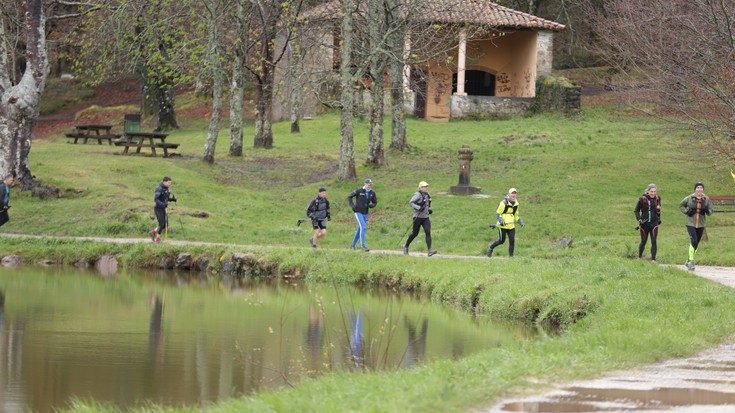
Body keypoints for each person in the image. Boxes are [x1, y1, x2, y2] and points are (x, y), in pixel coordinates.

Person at [678, 182, 713, 271]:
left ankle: (688, 261)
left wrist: (708, 211)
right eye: (698, 188)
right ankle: (691, 262)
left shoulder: (706, 199)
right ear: (695, 189)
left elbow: (711, 210)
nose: (699, 189)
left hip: (701, 224)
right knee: (693, 240)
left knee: (696, 243)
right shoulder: (689, 198)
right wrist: (686, 211)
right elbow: (681, 205)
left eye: (701, 188)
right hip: (690, 223)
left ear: (703, 189)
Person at [402, 181, 437, 256]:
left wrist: (430, 209)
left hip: (425, 217)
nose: (426, 188)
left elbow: (428, 204)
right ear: (420, 188)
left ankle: (430, 250)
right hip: (417, 217)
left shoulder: (428, 195)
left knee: (428, 232)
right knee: (415, 233)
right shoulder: (417, 195)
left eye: (427, 186)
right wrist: (418, 207)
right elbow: (411, 202)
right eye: (424, 186)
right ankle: (406, 246)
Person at [487, 188, 524, 257]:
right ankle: (491, 247)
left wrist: (519, 220)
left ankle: (511, 257)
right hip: (502, 226)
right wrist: (501, 221)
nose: (513, 195)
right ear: (509, 194)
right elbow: (498, 214)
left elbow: (515, 215)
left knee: (512, 241)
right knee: (501, 241)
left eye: (515, 194)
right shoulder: (503, 203)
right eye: (512, 194)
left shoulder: (516, 204)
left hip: (511, 226)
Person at [347, 179, 378, 251]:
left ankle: (352, 245)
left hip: (365, 213)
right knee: (363, 227)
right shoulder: (359, 191)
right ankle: (363, 246)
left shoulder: (372, 193)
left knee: (359, 229)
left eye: (371, 184)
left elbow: (375, 202)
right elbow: (349, 197)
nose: (370, 186)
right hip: (358, 212)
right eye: (369, 184)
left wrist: (372, 205)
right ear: (365, 184)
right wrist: (352, 206)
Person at [634, 183, 661, 262]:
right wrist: (639, 219)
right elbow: (636, 210)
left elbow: (659, 209)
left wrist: (659, 219)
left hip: (654, 224)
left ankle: (653, 259)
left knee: (654, 241)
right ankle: (639, 257)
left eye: (654, 191)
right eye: (651, 191)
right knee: (643, 241)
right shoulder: (642, 199)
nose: (653, 193)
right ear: (648, 191)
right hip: (644, 224)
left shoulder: (658, 198)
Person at [149, 176, 176, 242]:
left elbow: (165, 198)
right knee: (161, 223)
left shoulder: (167, 188)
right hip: (158, 208)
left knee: (165, 225)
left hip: (163, 208)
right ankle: (158, 239)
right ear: (164, 182)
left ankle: (153, 232)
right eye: (169, 182)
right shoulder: (159, 188)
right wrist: (162, 204)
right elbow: (156, 199)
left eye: (170, 182)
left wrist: (172, 199)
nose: (170, 184)